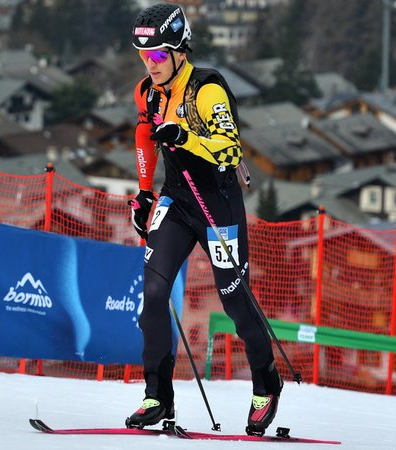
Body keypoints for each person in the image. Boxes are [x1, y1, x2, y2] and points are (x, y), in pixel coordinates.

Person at [126, 2, 284, 437]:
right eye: (144, 56)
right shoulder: (148, 91)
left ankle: (266, 385)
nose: (150, 64)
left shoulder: (207, 90)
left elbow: (230, 151)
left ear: (178, 50)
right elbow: (143, 136)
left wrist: (185, 136)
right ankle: (157, 395)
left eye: (158, 55)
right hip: (177, 200)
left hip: (218, 204)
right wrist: (143, 192)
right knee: (154, 292)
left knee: (234, 301)